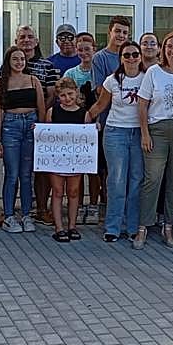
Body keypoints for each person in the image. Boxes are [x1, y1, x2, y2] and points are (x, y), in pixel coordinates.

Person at [136, 31, 173, 248]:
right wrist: (145, 133)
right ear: (164, 49)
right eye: (170, 46)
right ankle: (143, 225)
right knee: (152, 178)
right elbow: (142, 104)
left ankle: (169, 225)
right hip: (157, 130)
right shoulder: (154, 72)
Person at [87, 42, 145, 243]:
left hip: (139, 133)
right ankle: (112, 227)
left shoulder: (148, 78)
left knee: (136, 180)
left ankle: (132, 227)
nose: (131, 58)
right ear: (121, 58)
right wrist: (81, 119)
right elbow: (101, 105)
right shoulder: (112, 80)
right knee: (116, 181)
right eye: (126, 55)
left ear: (140, 56)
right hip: (115, 133)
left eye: (135, 54)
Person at [0, 47, 46, 233]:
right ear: (8, 61)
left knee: (26, 175)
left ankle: (26, 215)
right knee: (11, 174)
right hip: (10, 128)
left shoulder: (33, 80)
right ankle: (8, 216)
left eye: (22, 59)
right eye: (15, 59)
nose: (19, 62)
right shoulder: (1, 83)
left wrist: (41, 129)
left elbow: (41, 108)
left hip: (30, 127)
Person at [17, 24, 59, 224]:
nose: (26, 40)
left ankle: (42, 208)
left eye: (30, 36)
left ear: (36, 41)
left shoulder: (47, 65)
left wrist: (40, 117)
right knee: (16, 167)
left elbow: (52, 94)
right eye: (22, 37)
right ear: (16, 42)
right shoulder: (10, 65)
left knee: (41, 168)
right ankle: (15, 209)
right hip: (14, 122)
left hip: (39, 122)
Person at [44, 77, 88, 242]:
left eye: (70, 94)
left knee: (73, 192)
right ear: (58, 96)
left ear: (76, 93)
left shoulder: (84, 114)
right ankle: (59, 227)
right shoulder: (52, 112)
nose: (67, 98)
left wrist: (95, 128)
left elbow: (89, 137)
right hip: (56, 159)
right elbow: (46, 133)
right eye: (63, 95)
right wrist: (39, 130)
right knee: (57, 191)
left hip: (75, 160)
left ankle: (72, 226)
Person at [65, 32, 101, 224]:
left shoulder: (100, 71)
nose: (84, 52)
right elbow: (64, 96)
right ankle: (77, 206)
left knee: (94, 170)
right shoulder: (71, 73)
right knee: (76, 170)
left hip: (96, 126)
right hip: (76, 126)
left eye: (87, 49)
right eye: (80, 49)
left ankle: (94, 205)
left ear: (94, 49)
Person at [92, 16, 132, 89]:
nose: (121, 35)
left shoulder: (132, 57)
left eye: (125, 33)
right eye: (117, 31)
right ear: (109, 32)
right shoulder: (99, 58)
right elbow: (99, 89)